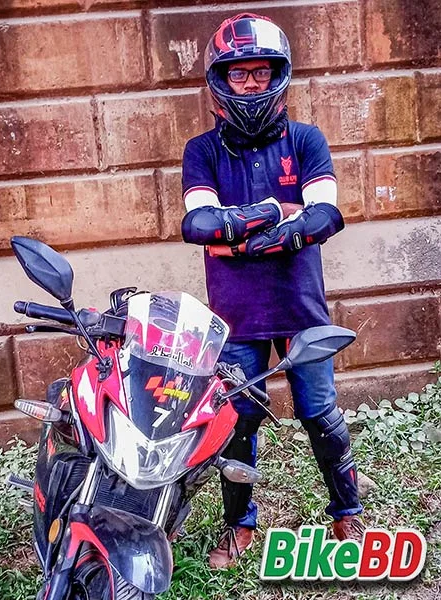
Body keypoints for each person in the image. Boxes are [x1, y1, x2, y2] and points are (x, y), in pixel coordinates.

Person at [180, 13, 364, 569]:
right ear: (221, 80)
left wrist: (242, 235)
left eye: (261, 72)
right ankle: (240, 526)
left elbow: (326, 214)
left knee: (322, 416)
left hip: (301, 309)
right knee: (237, 424)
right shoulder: (202, 150)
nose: (251, 83)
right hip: (236, 316)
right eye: (239, 74)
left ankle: (347, 512)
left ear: (278, 74)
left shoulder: (306, 140)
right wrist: (274, 213)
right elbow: (198, 225)